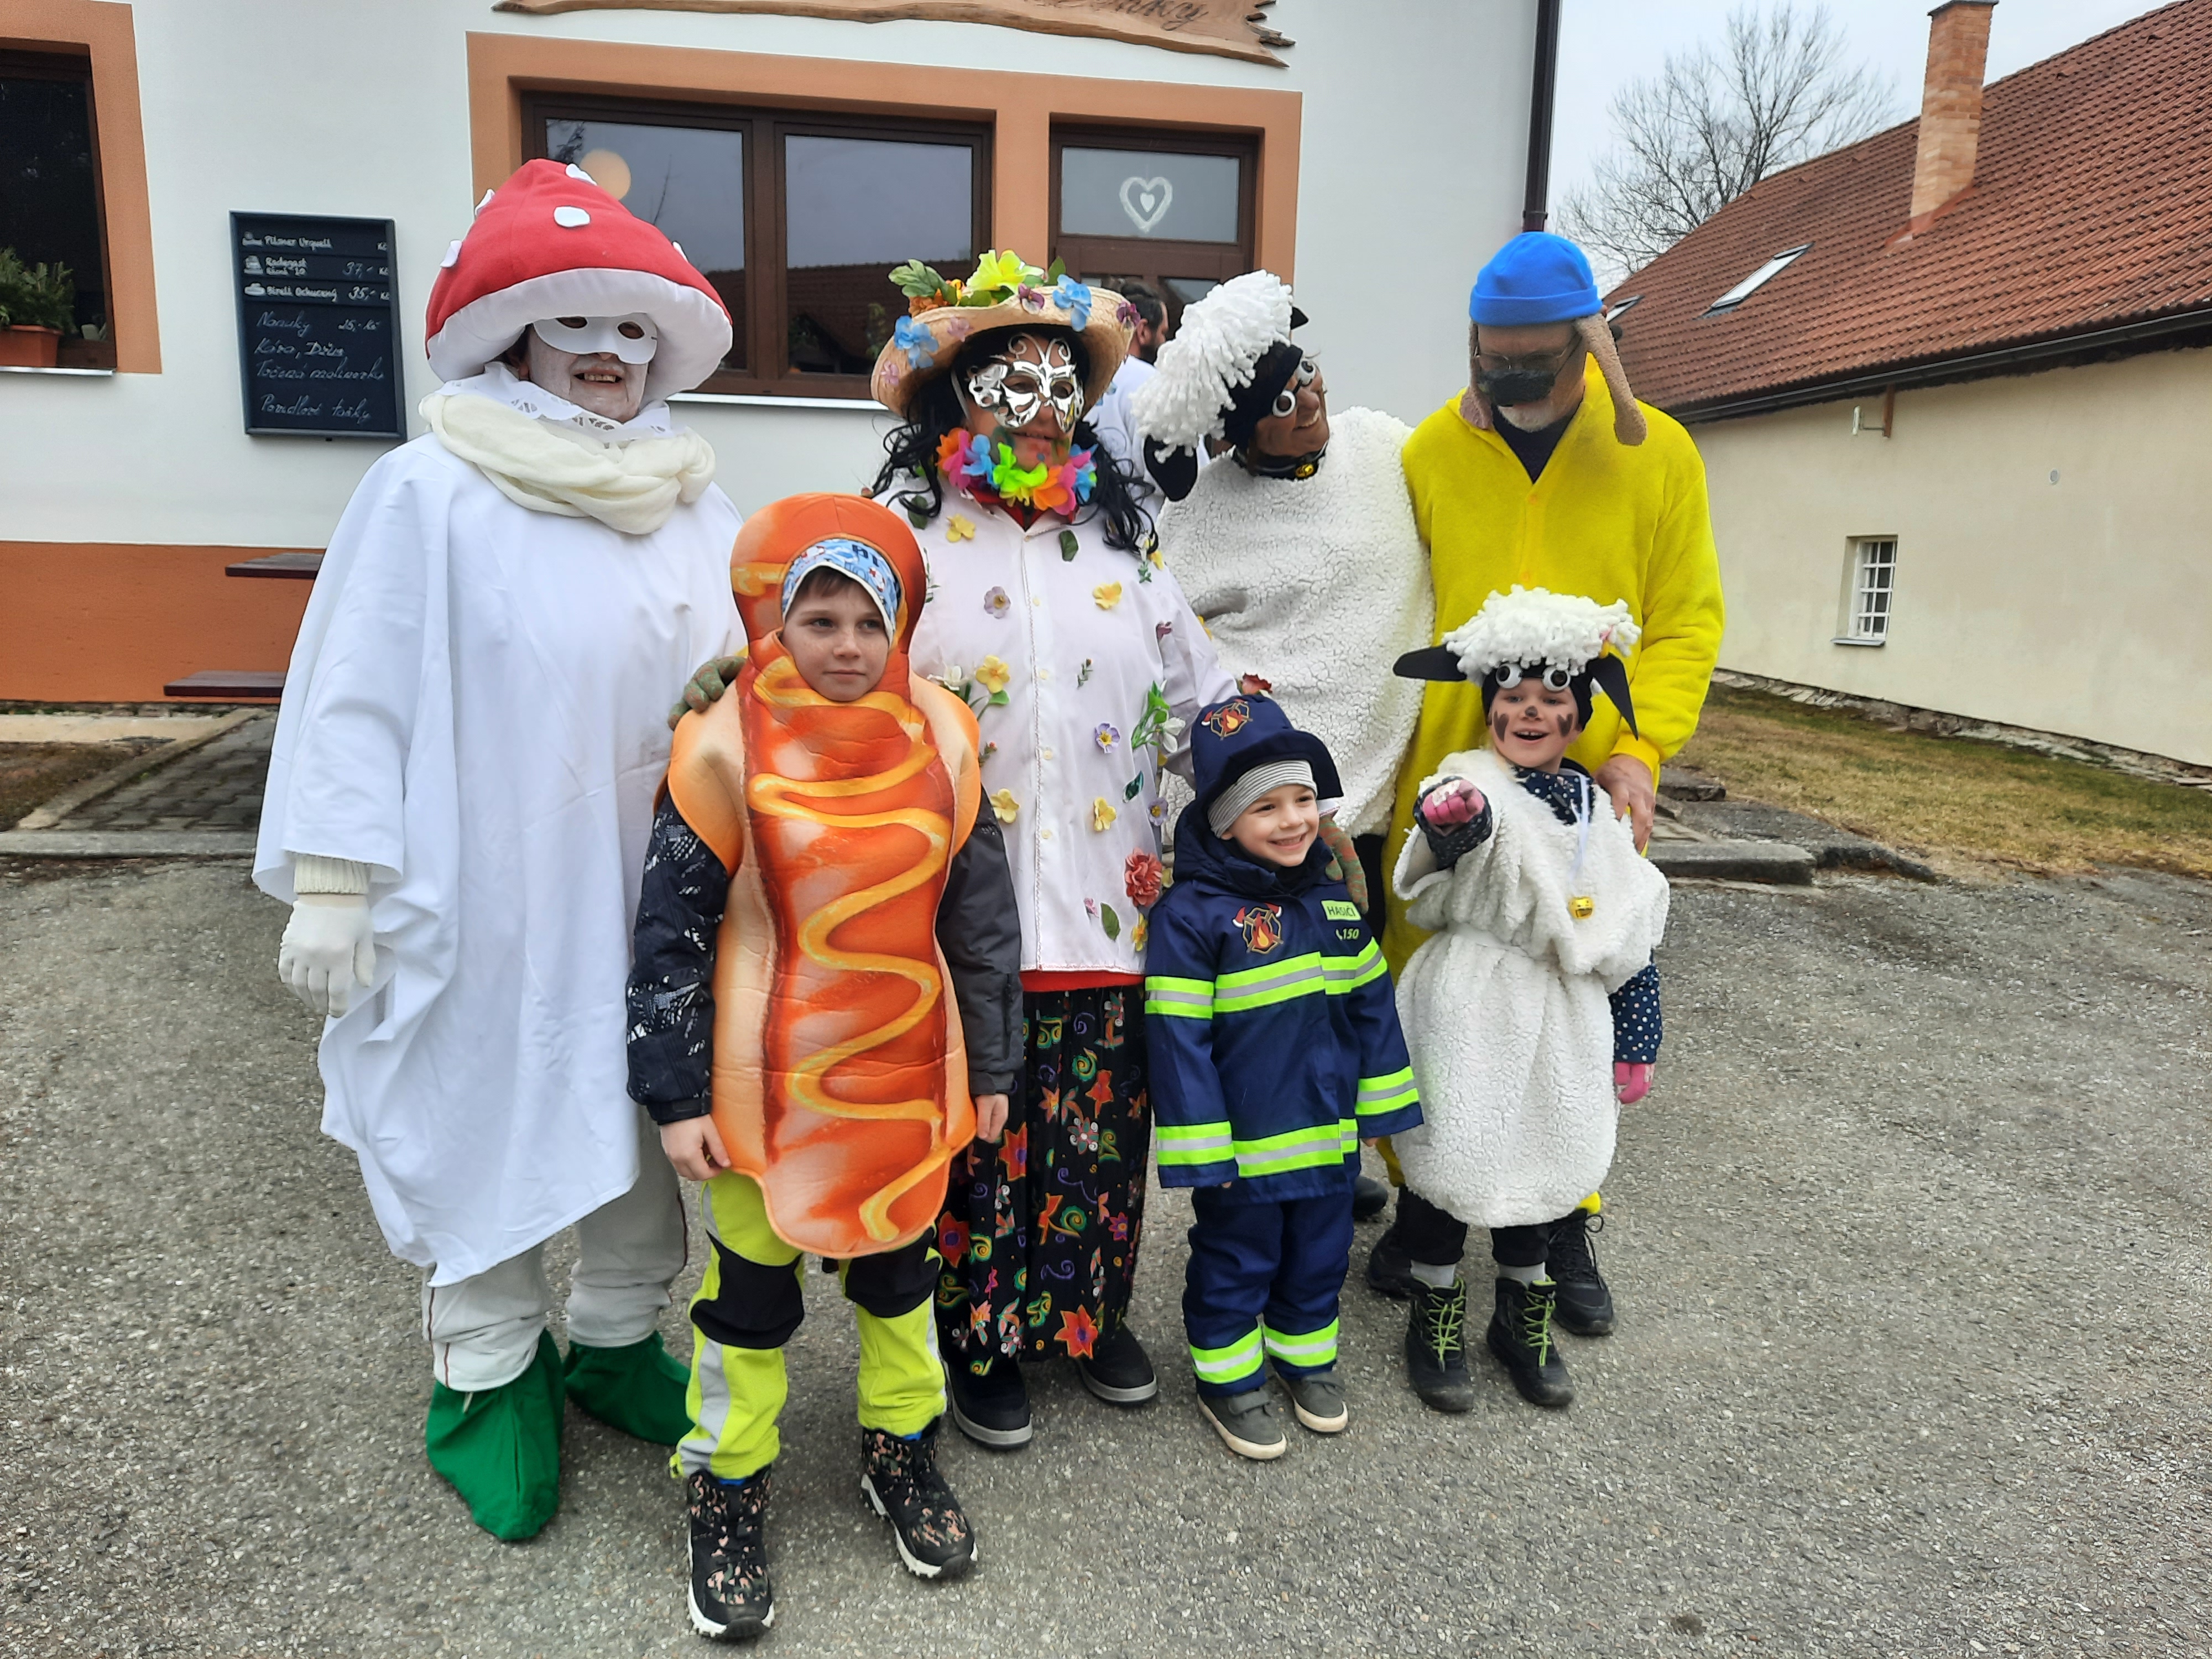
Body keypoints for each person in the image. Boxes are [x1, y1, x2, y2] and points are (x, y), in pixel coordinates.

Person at [254, 158, 740, 1540]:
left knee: (649, 1117)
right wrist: (335, 881)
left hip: (659, 893)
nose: (608, 353)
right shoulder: (431, 490)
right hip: (493, 882)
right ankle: (485, 1372)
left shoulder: (693, 501)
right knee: (489, 1101)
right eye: (577, 325)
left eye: (633, 328)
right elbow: (356, 684)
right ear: (518, 336)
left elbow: (749, 680)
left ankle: (613, 1338)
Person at [624, 494, 1024, 1637]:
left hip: (906, 1078)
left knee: (900, 1286)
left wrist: (992, 1066)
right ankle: (726, 1477)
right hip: (763, 1092)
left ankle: (901, 1448)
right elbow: (670, 934)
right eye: (820, 620)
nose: (847, 646)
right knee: (747, 1303)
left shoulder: (946, 735)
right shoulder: (719, 742)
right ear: (776, 624)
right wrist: (676, 1097)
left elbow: (980, 921)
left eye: (868, 622)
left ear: (899, 628)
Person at [875, 251, 1239, 1444]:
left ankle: (1084, 1314)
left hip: (1104, 901)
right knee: (978, 1130)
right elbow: (842, 681)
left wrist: (1281, 786)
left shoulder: (1124, 549)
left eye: (1061, 384)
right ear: (957, 396)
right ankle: (976, 1333)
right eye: (1011, 382)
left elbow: (1202, 697)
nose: (1041, 407)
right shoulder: (909, 539)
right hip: (955, 909)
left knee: (1099, 1127)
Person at [1372, 229, 1724, 1323]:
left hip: (1589, 792)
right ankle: (1425, 1206)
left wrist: (1639, 750)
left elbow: (1686, 620)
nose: (1511, 383)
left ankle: (1566, 1223)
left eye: (1534, 363)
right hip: (1453, 774)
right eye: (1494, 363)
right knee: (1434, 999)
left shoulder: (1657, 455)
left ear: (1587, 346)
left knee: (1576, 1000)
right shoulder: (1433, 451)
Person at [1134, 269, 1432, 1225]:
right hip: (1271, 811)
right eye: (1283, 403)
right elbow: (1168, 648)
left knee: (1354, 995)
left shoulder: (1384, 448)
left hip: (1377, 791)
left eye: (1309, 376)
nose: (1311, 402)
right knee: (1275, 1007)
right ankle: (1272, 1180)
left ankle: (1345, 1154)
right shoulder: (1199, 515)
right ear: (1234, 434)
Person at [1387, 587, 1669, 1412]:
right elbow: (1442, 844)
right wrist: (1453, 827)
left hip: (1563, 1010)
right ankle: (1436, 1314)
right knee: (1449, 1158)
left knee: (1543, 1158)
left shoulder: (1594, 808)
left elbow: (1627, 917)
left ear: (1580, 716)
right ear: (1489, 710)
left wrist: (1637, 1032)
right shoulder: (1468, 783)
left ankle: (1521, 1318)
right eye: (1511, 697)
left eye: (1552, 697)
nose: (1530, 712)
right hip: (1472, 1002)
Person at [1144, 695, 1422, 1460]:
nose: (1293, 820)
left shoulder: (1334, 907)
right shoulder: (1192, 918)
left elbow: (1373, 1014)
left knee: (1321, 1255)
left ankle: (1306, 1358)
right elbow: (1178, 1039)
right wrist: (1203, 1149)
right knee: (1238, 1259)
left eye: (1303, 799)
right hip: (1245, 1152)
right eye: (1265, 807)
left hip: (1329, 1143)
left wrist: (1380, 1114)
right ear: (1224, 821)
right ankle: (1228, 1377)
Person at [1087, 280, 1180, 510]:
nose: (1165, 342)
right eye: (1163, 333)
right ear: (1143, 331)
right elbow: (1183, 481)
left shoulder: (1084, 375)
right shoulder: (1152, 382)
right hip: (1141, 525)